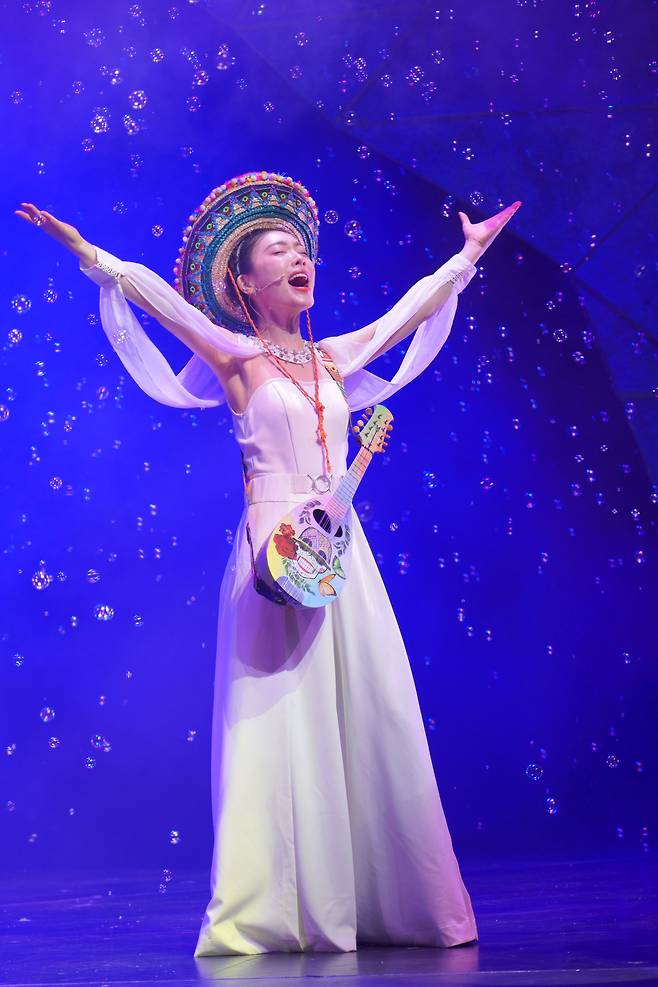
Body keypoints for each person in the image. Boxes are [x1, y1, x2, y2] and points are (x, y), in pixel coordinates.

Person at [16, 172, 521, 956]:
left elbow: (405, 315)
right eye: (278, 249)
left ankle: (386, 900)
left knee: (373, 712)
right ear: (245, 282)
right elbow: (159, 300)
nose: (298, 256)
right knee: (281, 722)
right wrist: (86, 251)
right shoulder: (236, 357)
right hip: (273, 548)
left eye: (301, 248)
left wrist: (467, 257)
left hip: (340, 548)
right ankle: (277, 909)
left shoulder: (330, 358)